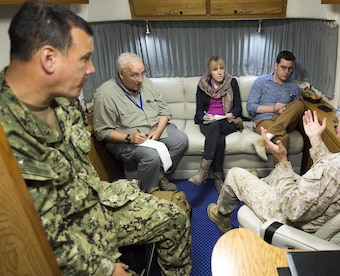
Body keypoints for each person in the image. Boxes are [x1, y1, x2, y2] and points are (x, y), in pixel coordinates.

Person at [0, 2, 192, 275]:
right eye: (84, 58)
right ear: (48, 58)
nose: (91, 69)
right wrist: (103, 267)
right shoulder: (7, 137)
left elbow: (82, 178)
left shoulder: (63, 103)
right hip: (75, 241)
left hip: (99, 203)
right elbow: (37, 238)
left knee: (176, 218)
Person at [208, 88, 340, 233]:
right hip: (308, 204)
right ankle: (256, 184)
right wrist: (316, 139)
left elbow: (293, 209)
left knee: (234, 174)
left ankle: (221, 215)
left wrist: (281, 160)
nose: (337, 116)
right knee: (275, 175)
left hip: (289, 217)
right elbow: (330, 173)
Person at [93, 52, 189, 192]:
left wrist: (158, 132)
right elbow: (101, 132)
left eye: (142, 73)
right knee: (151, 156)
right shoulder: (105, 95)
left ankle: (159, 176)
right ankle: (147, 194)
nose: (140, 79)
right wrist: (128, 138)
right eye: (134, 75)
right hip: (126, 139)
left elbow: (164, 112)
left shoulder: (147, 83)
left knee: (180, 140)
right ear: (121, 74)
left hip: (153, 130)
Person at [188, 56, 243, 192]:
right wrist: (204, 116)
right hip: (209, 121)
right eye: (215, 69)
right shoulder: (202, 85)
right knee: (218, 136)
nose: (219, 72)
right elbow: (199, 110)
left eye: (222, 68)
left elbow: (238, 107)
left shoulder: (232, 82)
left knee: (217, 126)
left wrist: (232, 114)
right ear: (209, 71)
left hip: (227, 120)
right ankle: (218, 177)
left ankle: (203, 170)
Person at [246, 50, 304, 162]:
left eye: (290, 69)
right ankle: (279, 177)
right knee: (282, 138)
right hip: (264, 120)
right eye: (283, 67)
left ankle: (263, 140)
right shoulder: (261, 82)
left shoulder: (294, 88)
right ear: (275, 65)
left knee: (299, 105)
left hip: (284, 120)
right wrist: (273, 108)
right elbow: (251, 107)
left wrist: (286, 111)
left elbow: (294, 113)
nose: (287, 72)